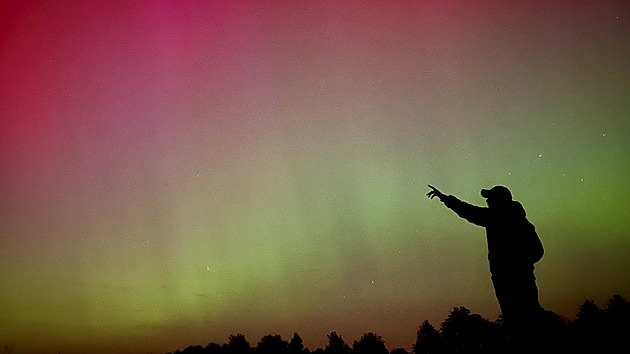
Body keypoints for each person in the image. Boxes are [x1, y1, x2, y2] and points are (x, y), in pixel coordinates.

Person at [426, 185, 544, 336]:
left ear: (500, 200)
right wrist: (445, 198)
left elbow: (468, 211)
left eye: (490, 198)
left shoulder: (500, 219)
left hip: (515, 281)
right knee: (521, 321)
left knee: (524, 323)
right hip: (512, 280)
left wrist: (515, 266)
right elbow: (467, 210)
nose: (487, 201)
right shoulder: (505, 219)